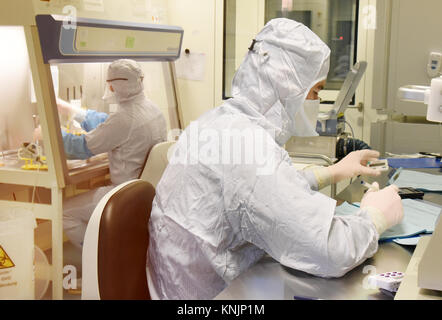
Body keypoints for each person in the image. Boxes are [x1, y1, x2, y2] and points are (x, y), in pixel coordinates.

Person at [147, 19, 403, 300]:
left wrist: (331, 173)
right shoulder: (248, 145)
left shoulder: (222, 122)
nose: (317, 101)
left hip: (190, 285)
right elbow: (331, 251)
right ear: (288, 86)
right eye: (316, 91)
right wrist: (374, 217)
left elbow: (267, 192)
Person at [40, 59, 167, 248]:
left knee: (64, 212)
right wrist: (69, 110)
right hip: (147, 195)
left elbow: (82, 147)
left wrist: (47, 134)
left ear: (113, 87)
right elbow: (107, 124)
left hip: (124, 196)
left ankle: (99, 259)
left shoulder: (125, 118)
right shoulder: (152, 109)